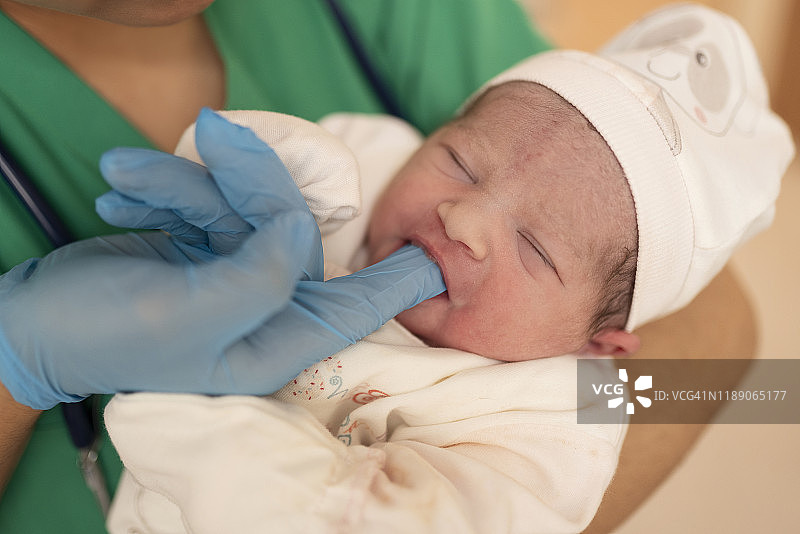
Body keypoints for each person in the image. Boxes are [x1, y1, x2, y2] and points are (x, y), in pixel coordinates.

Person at [0, 1, 769, 532]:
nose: (461, 218)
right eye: (459, 161)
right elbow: (317, 159)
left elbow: (740, 354)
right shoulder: (385, 167)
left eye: (535, 247)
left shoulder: (547, 416)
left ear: (598, 348)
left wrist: (190, 409)